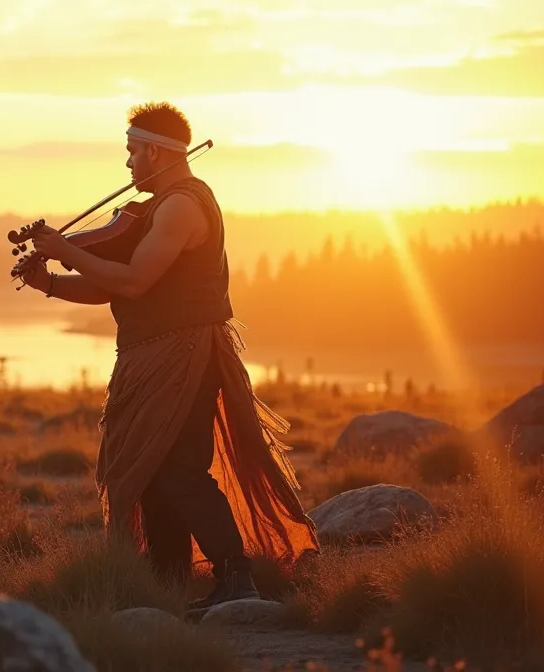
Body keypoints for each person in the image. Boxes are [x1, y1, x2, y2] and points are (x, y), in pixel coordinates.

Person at [19, 101, 319, 612]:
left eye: (134, 152)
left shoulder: (181, 206)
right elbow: (115, 289)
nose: (129, 165)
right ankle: (168, 578)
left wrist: (65, 250)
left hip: (184, 356)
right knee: (151, 465)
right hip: (150, 355)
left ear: (157, 153)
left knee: (179, 468)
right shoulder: (157, 207)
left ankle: (236, 577)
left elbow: (135, 279)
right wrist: (50, 281)